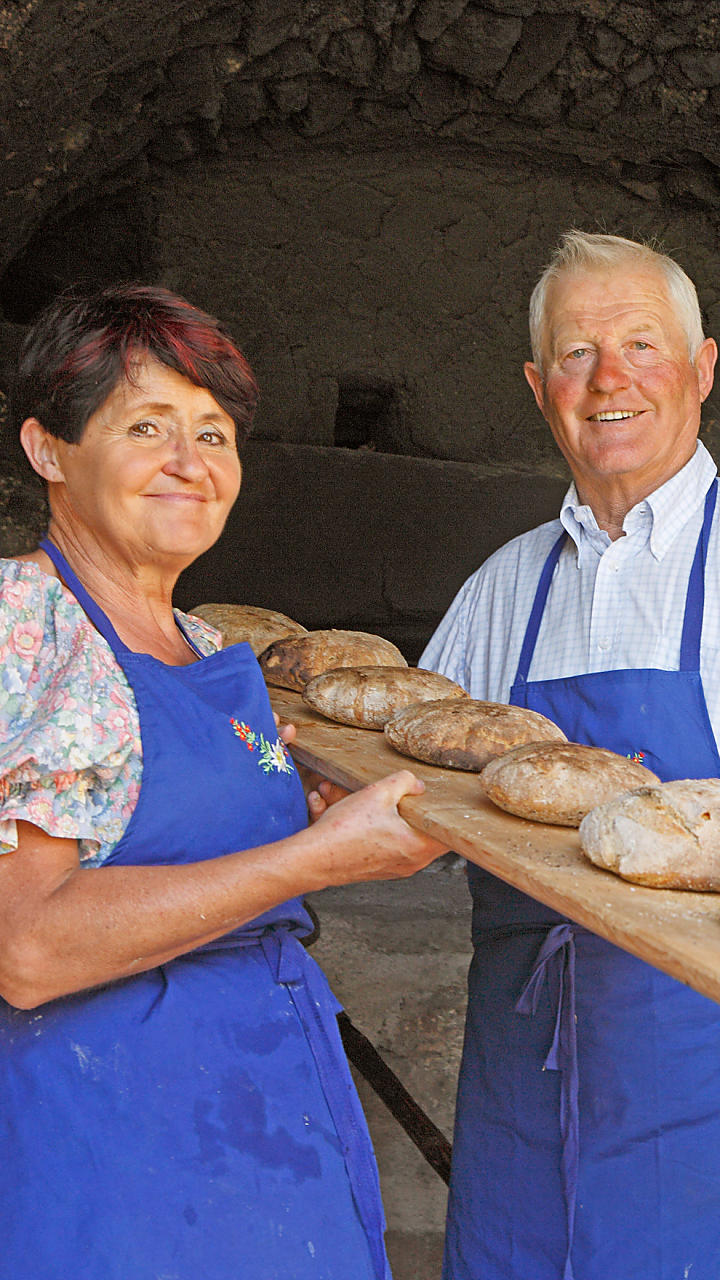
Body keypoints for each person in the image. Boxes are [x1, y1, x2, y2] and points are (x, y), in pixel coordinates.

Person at [0, 283, 448, 1280]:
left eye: (213, 432)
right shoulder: (25, 627)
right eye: (146, 426)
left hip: (264, 1128)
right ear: (48, 450)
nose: (190, 464)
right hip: (121, 1153)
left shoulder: (207, 645)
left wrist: (304, 817)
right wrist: (314, 855)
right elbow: (25, 944)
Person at [421, 230, 720, 1280]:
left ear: (703, 368)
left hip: (701, 1095)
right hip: (521, 1085)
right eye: (577, 352)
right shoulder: (502, 588)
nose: (610, 378)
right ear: (540, 385)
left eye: (641, 341)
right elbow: (410, 814)